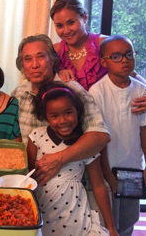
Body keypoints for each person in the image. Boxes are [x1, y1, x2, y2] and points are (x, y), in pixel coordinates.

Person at [11, 34, 110, 186]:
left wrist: (59, 158)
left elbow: (101, 136)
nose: (34, 64)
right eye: (28, 59)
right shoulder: (19, 94)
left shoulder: (72, 90)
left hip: (71, 186)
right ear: (22, 65)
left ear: (52, 60)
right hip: (30, 183)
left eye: (40, 57)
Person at [28, 82, 118, 236]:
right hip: (41, 211)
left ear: (78, 111)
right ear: (45, 116)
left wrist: (111, 227)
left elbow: (98, 185)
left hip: (75, 216)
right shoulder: (37, 136)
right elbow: (28, 177)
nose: (63, 121)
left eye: (68, 112)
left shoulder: (86, 145)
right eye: (54, 116)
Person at [89, 35, 146, 236]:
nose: (124, 60)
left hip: (133, 168)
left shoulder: (142, 90)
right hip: (107, 167)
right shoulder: (97, 92)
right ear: (104, 62)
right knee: (107, 218)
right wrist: (107, 173)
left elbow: (145, 130)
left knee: (127, 218)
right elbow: (99, 138)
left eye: (129, 55)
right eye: (116, 56)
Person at [50, 0, 146, 114]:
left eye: (71, 22)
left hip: (111, 115)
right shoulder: (55, 50)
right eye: (59, 25)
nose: (66, 30)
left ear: (84, 18)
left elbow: (129, 72)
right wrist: (58, 73)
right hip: (71, 122)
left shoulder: (103, 43)